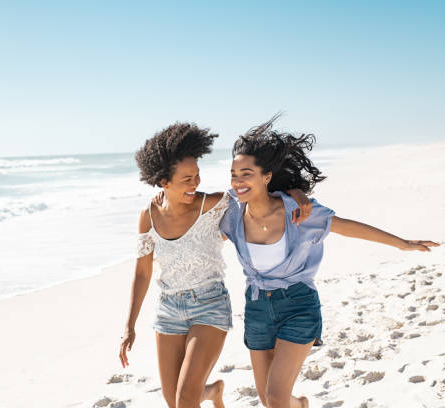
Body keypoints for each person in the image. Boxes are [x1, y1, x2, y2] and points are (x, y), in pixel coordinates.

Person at [220, 117, 439, 408]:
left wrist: (402, 243)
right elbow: (195, 224)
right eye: (233, 174)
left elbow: (346, 226)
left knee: (274, 399)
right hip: (257, 308)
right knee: (268, 398)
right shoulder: (231, 214)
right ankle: (302, 405)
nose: (238, 181)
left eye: (246, 173)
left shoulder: (299, 213)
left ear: (266, 176)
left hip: (297, 305)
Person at [119, 122, 311, 408]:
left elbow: (259, 190)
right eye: (186, 179)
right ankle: (212, 392)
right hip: (169, 309)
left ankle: (201, 393)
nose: (195, 184)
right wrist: (129, 325)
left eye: (197, 176)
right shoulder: (148, 216)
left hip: (210, 305)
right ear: (163, 181)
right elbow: (142, 272)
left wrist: (296, 193)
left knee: (185, 399)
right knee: (174, 401)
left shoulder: (213, 205)